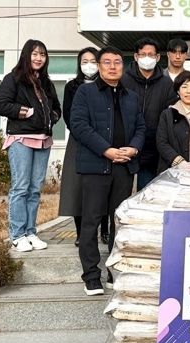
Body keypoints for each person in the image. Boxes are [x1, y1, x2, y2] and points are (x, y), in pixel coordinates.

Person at [70, 46, 145, 295]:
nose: (113, 67)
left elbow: (141, 127)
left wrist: (133, 148)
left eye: (117, 62)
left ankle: (115, 271)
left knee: (119, 221)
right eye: (107, 62)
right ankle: (91, 276)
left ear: (123, 66)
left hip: (124, 167)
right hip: (95, 166)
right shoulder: (85, 92)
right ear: (99, 66)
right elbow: (79, 125)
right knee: (91, 220)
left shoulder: (131, 96)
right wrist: (106, 150)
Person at [0, 39, 61, 252]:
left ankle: (31, 232)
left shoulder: (46, 83)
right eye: (35, 54)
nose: (39, 58)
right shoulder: (13, 78)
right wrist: (29, 113)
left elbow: (57, 108)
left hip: (43, 140)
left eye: (42, 54)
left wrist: (52, 117)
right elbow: (2, 105)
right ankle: (17, 235)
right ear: (26, 55)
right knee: (21, 187)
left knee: (35, 189)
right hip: (21, 139)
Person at [58, 47, 109, 247]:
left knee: (104, 187)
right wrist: (85, 134)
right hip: (78, 141)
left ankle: (104, 230)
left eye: (93, 61)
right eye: (84, 61)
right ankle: (81, 233)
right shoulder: (72, 86)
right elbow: (69, 115)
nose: (89, 65)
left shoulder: (108, 84)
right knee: (77, 187)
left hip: (105, 142)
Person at [121, 37, 177, 190]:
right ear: (136, 56)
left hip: (153, 149)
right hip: (125, 145)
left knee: (147, 191)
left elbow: (170, 116)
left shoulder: (167, 84)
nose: (147, 58)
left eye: (151, 55)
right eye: (143, 54)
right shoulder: (123, 81)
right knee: (121, 193)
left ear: (158, 57)